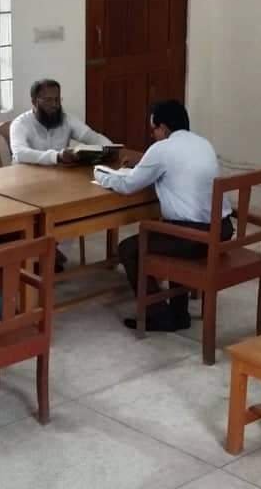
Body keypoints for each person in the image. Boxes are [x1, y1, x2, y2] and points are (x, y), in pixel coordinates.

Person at [95, 100, 231, 332]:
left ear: (164, 127)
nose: (153, 135)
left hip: (195, 237)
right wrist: (143, 163)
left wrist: (101, 173)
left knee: (129, 249)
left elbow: (127, 185)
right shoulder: (203, 143)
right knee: (172, 233)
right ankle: (179, 314)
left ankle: (158, 315)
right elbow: (174, 167)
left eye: (154, 129)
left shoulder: (162, 149)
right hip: (223, 231)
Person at [9, 79, 114, 166]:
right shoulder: (20, 124)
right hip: (26, 175)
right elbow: (20, 153)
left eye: (57, 99)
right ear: (34, 102)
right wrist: (56, 156)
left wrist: (112, 149)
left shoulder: (67, 119)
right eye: (48, 100)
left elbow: (93, 138)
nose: (54, 105)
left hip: (58, 175)